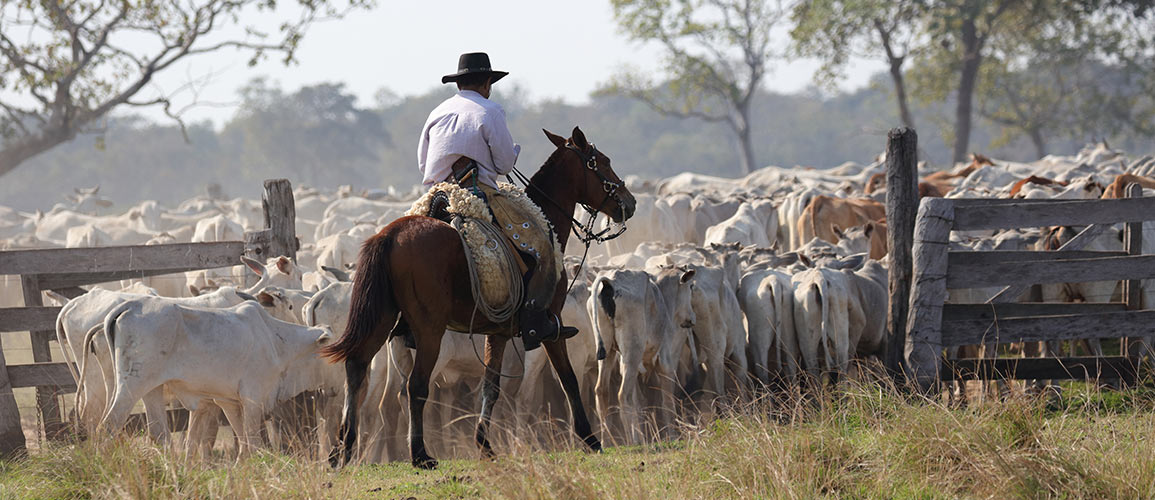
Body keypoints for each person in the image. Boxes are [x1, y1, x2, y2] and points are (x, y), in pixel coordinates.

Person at [417, 52, 576, 351]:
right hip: (477, 194)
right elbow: (503, 164)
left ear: (459, 83)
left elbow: (422, 163)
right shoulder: (490, 110)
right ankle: (533, 322)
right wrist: (512, 151)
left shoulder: (436, 111)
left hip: (436, 194)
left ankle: (405, 322)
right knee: (540, 243)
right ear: (488, 83)